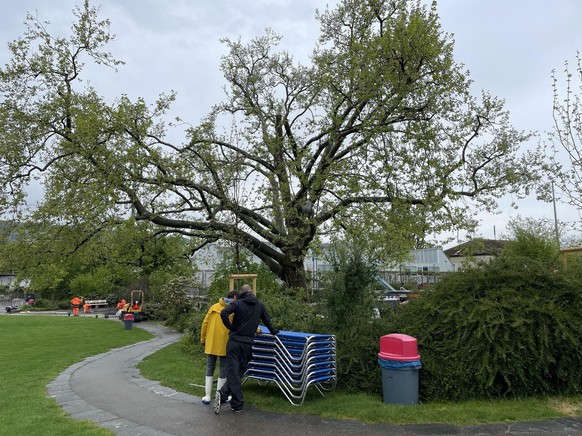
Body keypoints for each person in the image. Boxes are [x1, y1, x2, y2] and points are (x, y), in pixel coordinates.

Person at [213, 284, 279, 414]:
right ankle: (229, 398)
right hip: (248, 344)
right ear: (252, 292)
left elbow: (224, 312)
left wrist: (231, 327)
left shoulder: (237, 303)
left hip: (235, 343)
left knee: (233, 372)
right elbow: (267, 321)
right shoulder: (259, 306)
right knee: (239, 372)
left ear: (241, 293)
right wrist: (274, 331)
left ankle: (233, 400)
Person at [199, 290, 238, 404]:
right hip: (224, 344)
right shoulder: (232, 310)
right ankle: (219, 396)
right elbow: (241, 323)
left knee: (210, 367)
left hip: (211, 343)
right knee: (223, 369)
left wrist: (203, 339)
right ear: (234, 298)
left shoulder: (213, 307)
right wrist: (257, 330)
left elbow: (204, 324)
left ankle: (207, 396)